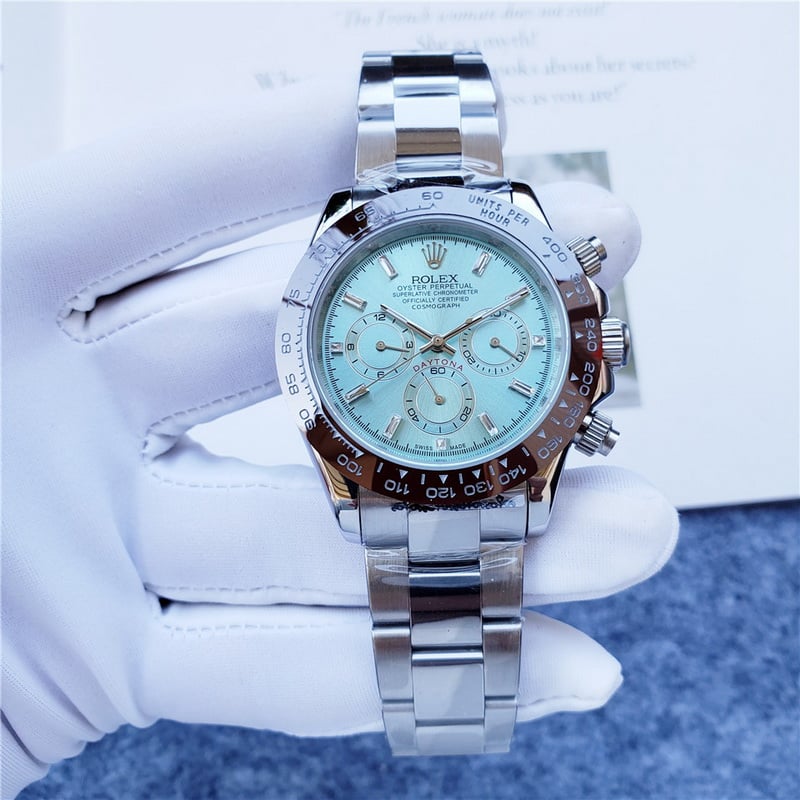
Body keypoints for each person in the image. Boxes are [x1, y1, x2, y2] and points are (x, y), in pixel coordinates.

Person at [1, 77, 678, 798]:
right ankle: (449, 705)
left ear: (593, 344)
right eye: (429, 338)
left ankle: (454, 703)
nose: (440, 345)